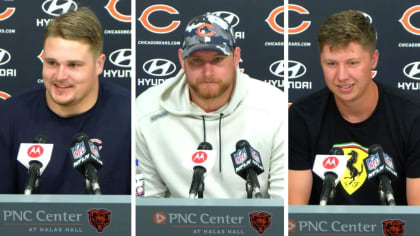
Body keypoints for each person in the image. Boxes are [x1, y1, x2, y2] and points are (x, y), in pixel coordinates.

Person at [136, 13, 285, 198]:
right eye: (197, 61)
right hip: (179, 226)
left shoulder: (273, 106)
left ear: (236, 56)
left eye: (217, 59)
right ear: (182, 59)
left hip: (256, 225)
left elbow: (282, 203)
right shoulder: (146, 111)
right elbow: (147, 205)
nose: (207, 72)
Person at [289, 9, 420, 205]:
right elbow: (294, 218)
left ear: (373, 59)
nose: (341, 76)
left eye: (352, 63)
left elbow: (417, 217)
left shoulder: (412, 117)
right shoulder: (302, 116)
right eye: (331, 63)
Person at [0, 7, 131, 194]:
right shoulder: (8, 116)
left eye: (74, 65)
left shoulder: (131, 116)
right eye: (52, 63)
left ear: (99, 64)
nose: (60, 76)